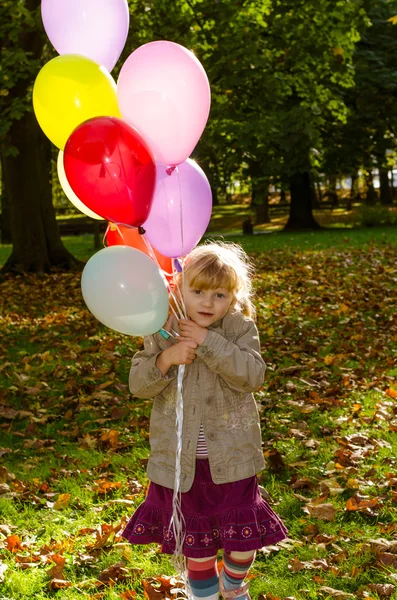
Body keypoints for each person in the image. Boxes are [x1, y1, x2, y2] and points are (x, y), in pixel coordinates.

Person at [122, 242, 288, 600]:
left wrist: (208, 343)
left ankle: (233, 583)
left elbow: (253, 375)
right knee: (195, 542)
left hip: (232, 459)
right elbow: (138, 384)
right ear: (178, 288)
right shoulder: (162, 328)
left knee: (241, 536)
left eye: (218, 294)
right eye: (197, 292)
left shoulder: (240, 329)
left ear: (233, 296)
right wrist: (166, 359)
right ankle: (204, 595)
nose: (207, 303)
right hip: (181, 464)